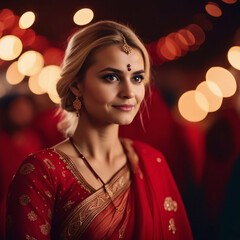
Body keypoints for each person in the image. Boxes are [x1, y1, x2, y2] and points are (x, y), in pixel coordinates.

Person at [6, 20, 193, 240]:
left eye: (137, 78)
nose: (128, 92)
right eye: (111, 77)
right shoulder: (42, 173)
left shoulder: (152, 161)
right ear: (77, 85)